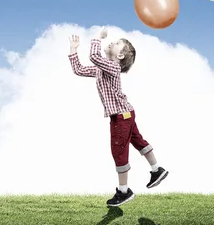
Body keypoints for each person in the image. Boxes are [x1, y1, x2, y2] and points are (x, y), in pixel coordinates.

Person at [68, 28, 168, 207]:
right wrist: (73, 50)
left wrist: (97, 38)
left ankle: (124, 191)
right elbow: (79, 69)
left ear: (120, 56)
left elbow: (94, 57)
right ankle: (157, 169)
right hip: (125, 114)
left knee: (118, 151)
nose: (112, 43)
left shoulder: (113, 67)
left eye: (116, 44)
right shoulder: (101, 69)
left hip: (121, 117)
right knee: (138, 141)